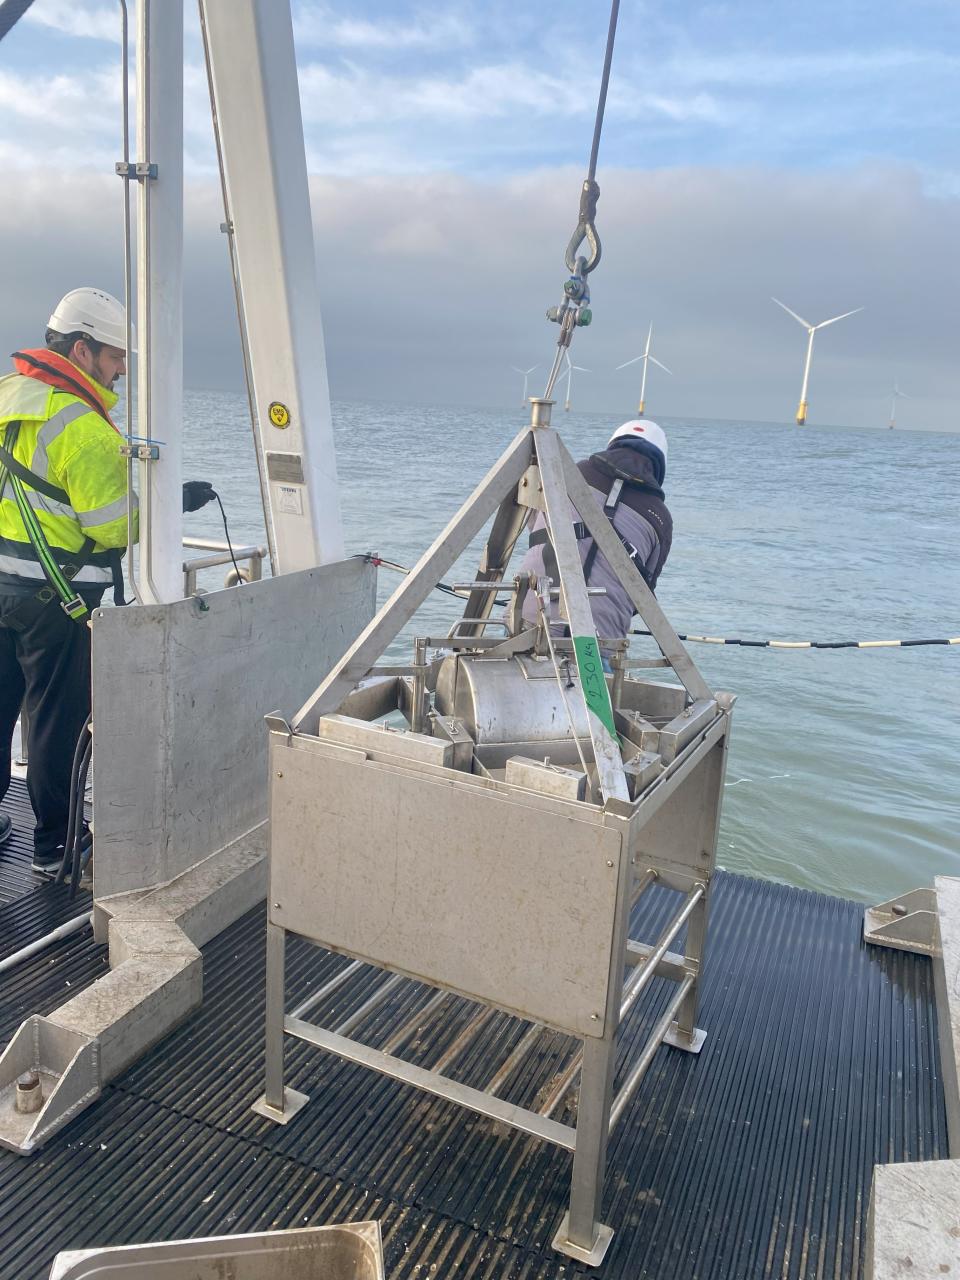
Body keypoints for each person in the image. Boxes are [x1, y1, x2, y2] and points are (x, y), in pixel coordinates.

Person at [0, 288, 214, 872]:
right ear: (80, 348)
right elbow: (115, 528)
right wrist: (174, 503)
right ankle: (56, 850)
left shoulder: (7, 397)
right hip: (57, 602)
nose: (122, 369)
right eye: (116, 356)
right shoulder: (85, 428)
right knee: (54, 724)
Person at [518, 419, 673, 654]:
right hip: (598, 644)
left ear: (613, 444)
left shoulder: (570, 473)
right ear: (659, 464)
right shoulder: (659, 517)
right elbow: (642, 596)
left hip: (528, 622)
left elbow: (537, 530)